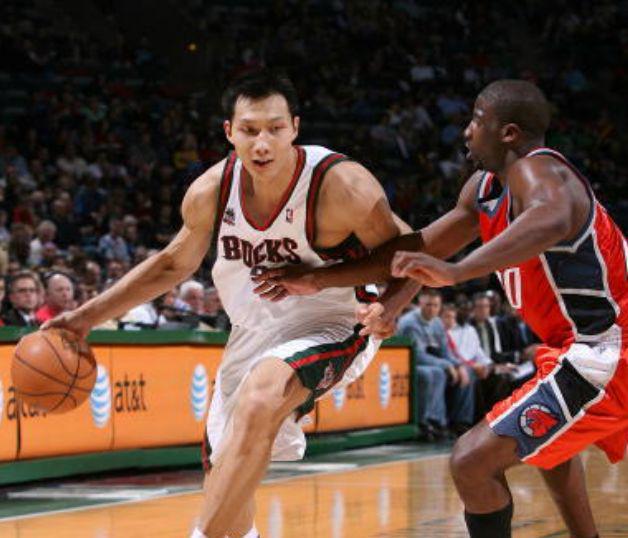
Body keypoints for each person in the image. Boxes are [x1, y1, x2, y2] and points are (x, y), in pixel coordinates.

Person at [43, 69, 408, 538]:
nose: (263, 143)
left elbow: (405, 252)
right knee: (224, 476)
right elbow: (171, 265)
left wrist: (388, 306)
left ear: (295, 128)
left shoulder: (340, 185)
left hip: (334, 320)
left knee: (261, 396)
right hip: (253, 331)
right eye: (250, 130)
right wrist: (83, 318)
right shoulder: (211, 191)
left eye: (275, 129)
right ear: (229, 132)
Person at [254, 80, 627, 538]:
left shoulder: (540, 169)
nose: (467, 131)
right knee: (551, 449)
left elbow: (552, 217)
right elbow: (418, 251)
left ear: (508, 133)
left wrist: (459, 271)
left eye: (476, 120)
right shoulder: (485, 191)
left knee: (472, 462)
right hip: (578, 350)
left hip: (608, 350)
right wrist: (323, 280)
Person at [397, 289, 476, 437]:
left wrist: (458, 365)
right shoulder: (410, 323)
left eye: (435, 305)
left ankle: (460, 421)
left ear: (440, 306)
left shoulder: (437, 323)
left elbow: (446, 352)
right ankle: (430, 421)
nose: (432, 309)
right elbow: (417, 355)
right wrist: (446, 365)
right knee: (435, 373)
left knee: (467, 371)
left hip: (432, 361)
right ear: (420, 304)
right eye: (428, 305)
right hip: (409, 363)